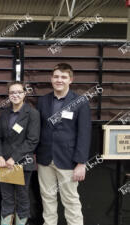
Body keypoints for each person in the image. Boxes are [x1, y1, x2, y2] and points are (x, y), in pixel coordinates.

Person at [36, 63, 92, 225]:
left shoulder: (80, 101)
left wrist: (81, 163)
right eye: (56, 76)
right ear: (51, 79)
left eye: (63, 77)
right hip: (45, 159)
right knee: (47, 199)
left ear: (70, 80)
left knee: (71, 200)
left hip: (68, 160)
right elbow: (39, 129)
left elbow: (84, 133)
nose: (59, 80)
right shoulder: (43, 101)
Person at [0, 81, 40, 225]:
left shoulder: (32, 113)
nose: (16, 95)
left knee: (22, 197)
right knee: (6, 198)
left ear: (24, 94)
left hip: (23, 164)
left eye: (19, 92)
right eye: (12, 92)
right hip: (3, 164)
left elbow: (32, 141)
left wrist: (14, 158)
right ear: (9, 95)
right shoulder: (5, 113)